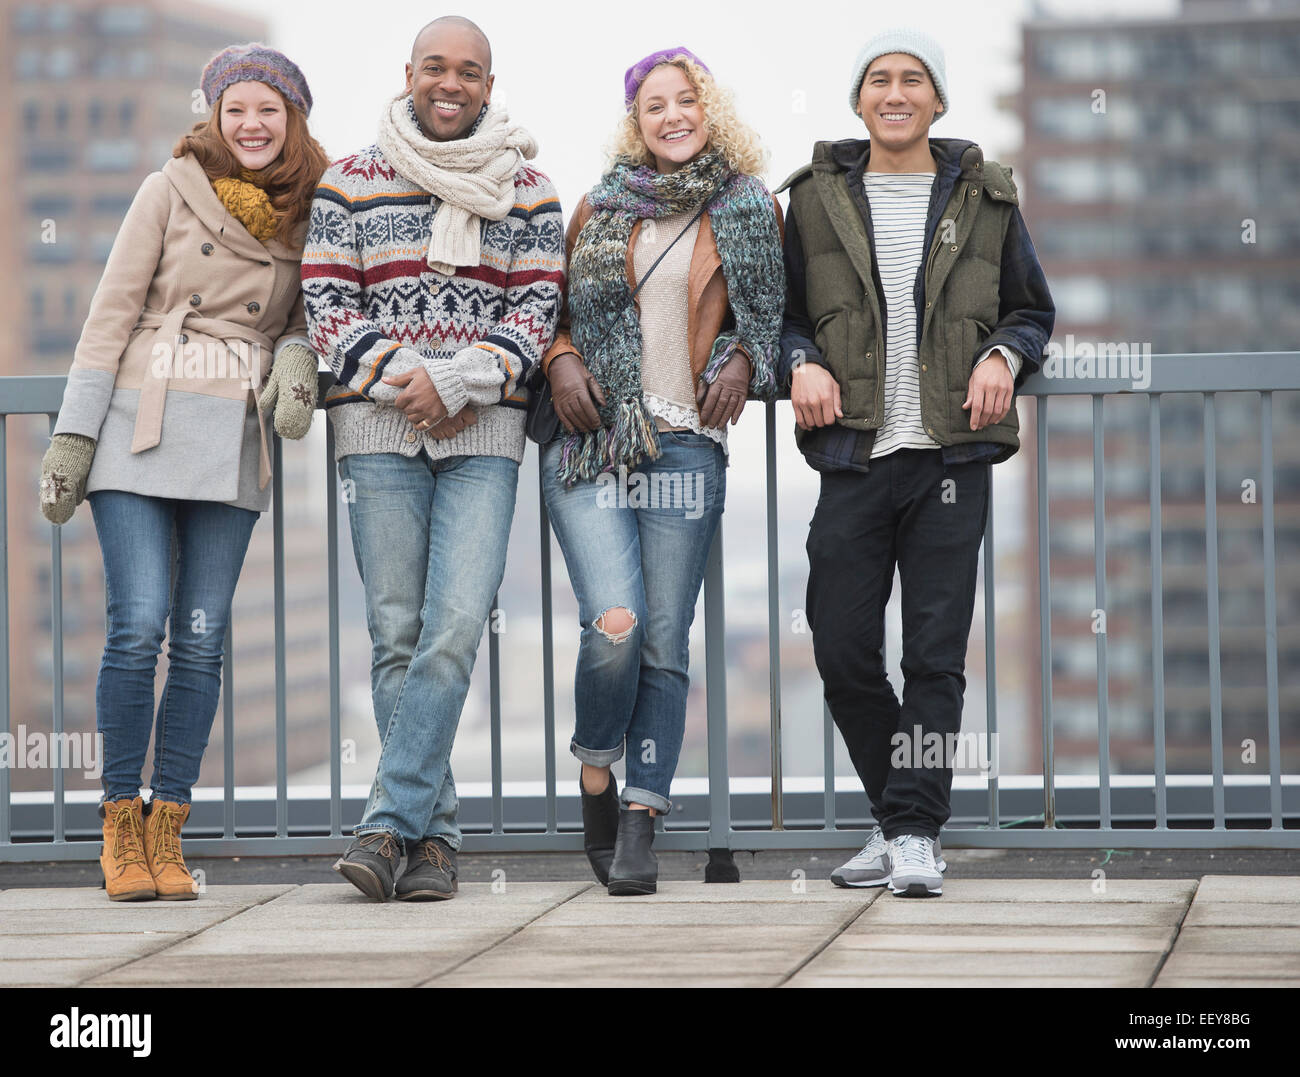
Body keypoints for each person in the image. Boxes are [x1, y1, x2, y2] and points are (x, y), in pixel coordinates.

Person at [38, 44, 327, 900]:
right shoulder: (166, 189)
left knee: (201, 639)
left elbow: (309, 316)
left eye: (268, 111)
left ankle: (170, 828)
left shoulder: (313, 208)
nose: (251, 125)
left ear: (292, 119)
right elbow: (108, 316)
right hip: (139, 424)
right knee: (138, 624)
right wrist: (73, 438)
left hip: (230, 434)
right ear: (213, 115)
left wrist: (300, 360)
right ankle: (119, 823)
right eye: (235, 109)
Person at [779, 28, 1054, 897]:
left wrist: (1003, 358)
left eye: (913, 80)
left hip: (949, 461)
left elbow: (1032, 311)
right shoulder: (814, 200)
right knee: (841, 644)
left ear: (938, 101)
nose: (895, 93)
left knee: (934, 655)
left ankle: (911, 833)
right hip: (854, 457)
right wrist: (801, 362)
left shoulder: (988, 198)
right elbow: (781, 316)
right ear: (858, 101)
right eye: (878, 79)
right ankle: (902, 819)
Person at [302, 16, 564, 902]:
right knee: (396, 632)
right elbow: (328, 304)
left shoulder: (529, 191)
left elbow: (533, 315)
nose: (450, 85)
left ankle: (386, 824)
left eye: (470, 73)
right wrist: (404, 380)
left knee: (455, 624)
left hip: (483, 436)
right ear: (408, 72)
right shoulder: (349, 180)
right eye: (436, 69)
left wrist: (456, 384)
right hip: (377, 433)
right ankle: (436, 841)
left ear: (490, 86)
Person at [539, 48, 784, 895]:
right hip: (593, 439)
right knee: (616, 621)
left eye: (687, 101)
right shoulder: (599, 206)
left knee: (665, 639)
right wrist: (565, 358)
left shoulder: (748, 207)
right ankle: (597, 773)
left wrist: (747, 357)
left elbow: (768, 318)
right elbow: (553, 312)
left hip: (686, 444)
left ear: (710, 111)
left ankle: (641, 817)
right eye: (654, 106)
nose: (672, 116)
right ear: (635, 121)